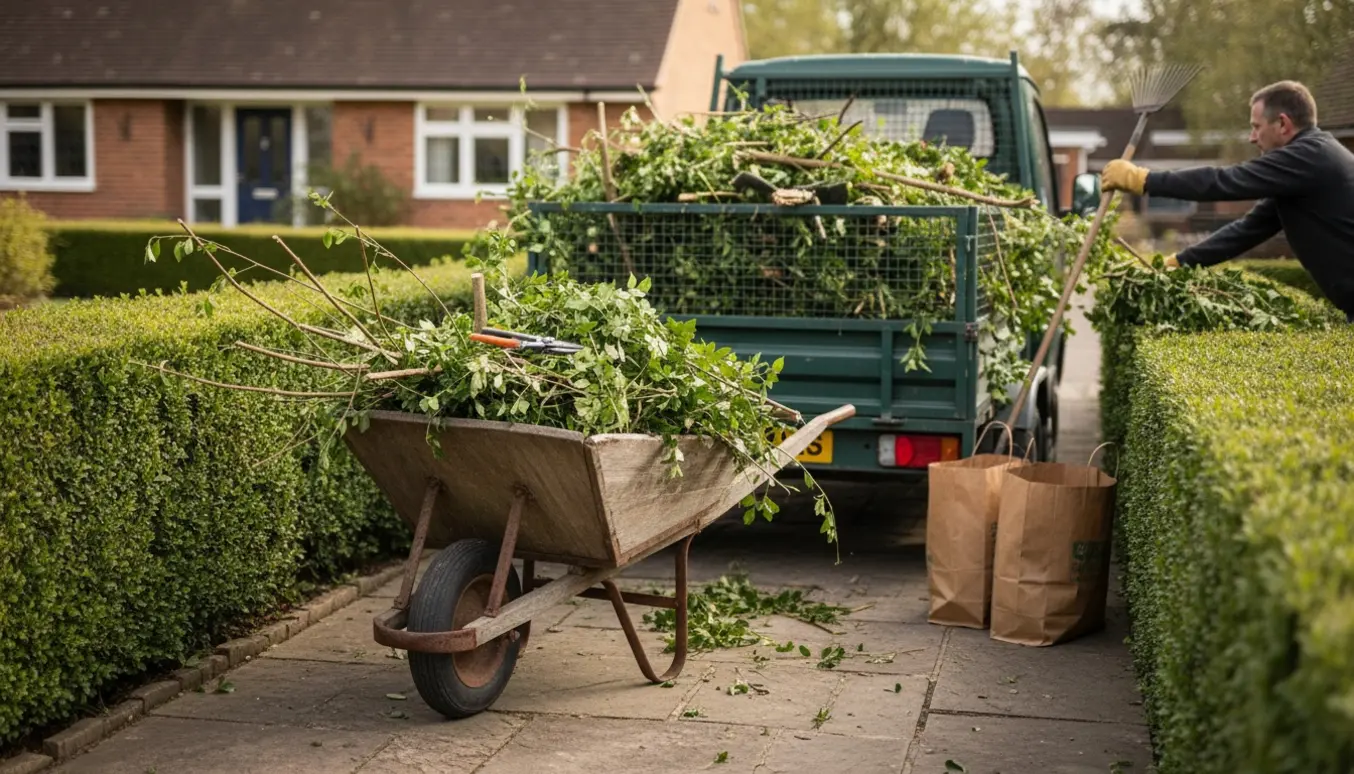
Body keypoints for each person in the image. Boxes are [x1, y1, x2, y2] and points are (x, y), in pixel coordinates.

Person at [1100, 80, 1354, 322]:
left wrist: (1144, 180)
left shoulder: (1309, 157)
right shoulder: (1308, 163)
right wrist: (1180, 261)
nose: (1252, 137)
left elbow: (1224, 181)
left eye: (1256, 126)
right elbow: (1248, 230)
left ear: (1283, 124)